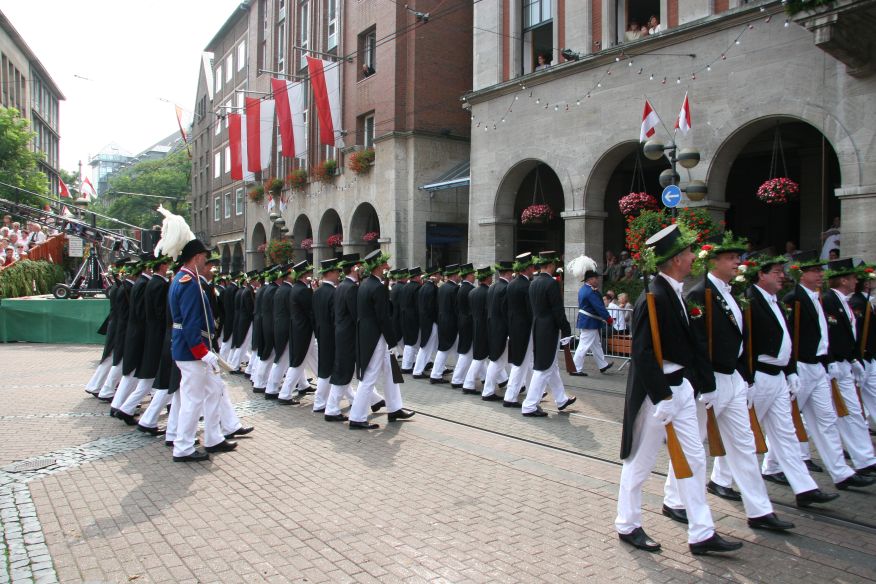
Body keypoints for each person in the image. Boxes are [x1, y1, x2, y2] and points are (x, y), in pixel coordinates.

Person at [616, 224, 742, 555]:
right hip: (657, 395)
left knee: (695, 459)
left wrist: (703, 385)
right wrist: (662, 396)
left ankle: (702, 532)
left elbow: (691, 345)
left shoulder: (675, 292)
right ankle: (627, 523)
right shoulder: (653, 297)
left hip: (682, 388)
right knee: (640, 462)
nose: (693, 257)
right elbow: (642, 354)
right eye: (687, 252)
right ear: (674, 260)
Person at [663, 235, 796, 533]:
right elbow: (697, 343)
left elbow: (742, 339)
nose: (738, 262)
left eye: (738, 257)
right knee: (693, 444)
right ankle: (674, 500)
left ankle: (760, 510)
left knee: (744, 444)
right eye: (731, 257)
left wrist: (745, 376)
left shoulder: (734, 293)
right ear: (713, 261)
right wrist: (705, 383)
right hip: (709, 381)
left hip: (733, 377)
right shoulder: (699, 294)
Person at [744, 255, 845, 504]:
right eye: (776, 272)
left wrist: (790, 371)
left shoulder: (775, 301)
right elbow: (746, 341)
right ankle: (721, 480)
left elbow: (787, 339)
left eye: (782, 271)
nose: (782, 276)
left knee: (786, 433)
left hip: (779, 375)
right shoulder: (749, 299)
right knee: (745, 433)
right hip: (760, 374)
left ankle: (804, 488)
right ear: (761, 275)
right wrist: (748, 377)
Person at [783, 252, 874, 488]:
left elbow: (825, 335)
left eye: (820, 271)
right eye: (814, 271)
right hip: (802, 365)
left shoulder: (818, 299)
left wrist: (831, 359)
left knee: (827, 420)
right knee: (787, 419)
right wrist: (791, 368)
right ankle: (773, 465)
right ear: (802, 274)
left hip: (820, 365)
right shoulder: (794, 298)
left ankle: (841, 473)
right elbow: (790, 336)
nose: (820, 275)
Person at [155, 207, 238, 462]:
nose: (206, 262)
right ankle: (183, 447)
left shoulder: (183, 279)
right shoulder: (189, 283)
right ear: (197, 257)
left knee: (215, 390)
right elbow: (191, 322)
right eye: (204, 257)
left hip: (193, 348)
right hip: (193, 350)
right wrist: (202, 351)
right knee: (192, 400)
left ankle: (214, 437)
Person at [821, 258, 876, 476]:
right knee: (822, 417)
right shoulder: (828, 300)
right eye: (853, 278)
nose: (856, 281)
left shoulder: (844, 301)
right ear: (843, 280)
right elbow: (831, 335)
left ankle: (865, 459)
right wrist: (836, 359)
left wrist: (854, 359)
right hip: (833, 364)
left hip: (846, 363)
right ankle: (782, 461)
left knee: (853, 412)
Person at [348, 250, 415, 429]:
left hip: (370, 334)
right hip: (377, 337)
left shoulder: (365, 284)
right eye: (385, 264)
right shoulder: (377, 287)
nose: (388, 266)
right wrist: (392, 341)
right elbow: (383, 317)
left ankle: (395, 408)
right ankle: (357, 417)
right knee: (370, 376)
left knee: (392, 372)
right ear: (378, 267)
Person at [521, 251, 576, 417]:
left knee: (551, 365)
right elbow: (558, 310)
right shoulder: (551, 283)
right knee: (543, 368)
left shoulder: (533, 283)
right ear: (551, 265)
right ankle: (529, 405)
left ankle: (561, 399)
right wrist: (566, 329)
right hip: (549, 329)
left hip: (538, 327)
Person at [279, 261, 318, 404]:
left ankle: (328, 385)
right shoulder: (302, 290)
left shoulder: (296, 288)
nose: (310, 275)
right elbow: (311, 311)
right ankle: (285, 394)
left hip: (300, 329)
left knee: (316, 361)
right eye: (308, 273)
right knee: (298, 363)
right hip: (304, 331)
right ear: (304, 275)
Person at [503, 253, 537, 407]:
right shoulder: (527, 286)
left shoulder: (511, 284)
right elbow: (531, 311)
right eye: (532, 267)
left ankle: (531, 391)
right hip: (525, 329)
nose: (533, 270)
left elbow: (506, 308)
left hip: (514, 327)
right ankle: (510, 397)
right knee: (521, 362)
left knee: (523, 361)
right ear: (527, 268)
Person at [312, 258, 344, 420]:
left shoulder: (317, 292)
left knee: (326, 367)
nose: (339, 275)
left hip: (321, 332)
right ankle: (320, 402)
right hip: (331, 334)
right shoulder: (334, 292)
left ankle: (320, 402)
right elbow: (335, 317)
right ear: (330, 273)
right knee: (330, 368)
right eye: (337, 272)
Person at [571, 256, 613, 376]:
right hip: (589, 322)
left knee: (596, 345)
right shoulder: (591, 292)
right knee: (583, 346)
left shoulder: (584, 289)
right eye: (595, 278)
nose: (597, 280)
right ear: (590, 279)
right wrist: (608, 318)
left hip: (589, 321)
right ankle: (575, 368)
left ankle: (602, 365)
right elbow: (599, 307)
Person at [481, 261, 513, 401]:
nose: (512, 275)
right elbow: (506, 312)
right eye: (511, 273)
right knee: (498, 361)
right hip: (502, 330)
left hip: (493, 327)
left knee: (499, 361)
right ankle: (488, 392)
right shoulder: (506, 288)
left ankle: (516, 386)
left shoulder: (492, 287)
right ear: (508, 273)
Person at [265, 264, 295, 399]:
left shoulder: (281, 288)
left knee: (283, 358)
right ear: (288, 276)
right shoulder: (287, 290)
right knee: (282, 358)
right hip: (285, 327)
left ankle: (273, 388)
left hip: (280, 326)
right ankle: (271, 388)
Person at [430, 265, 461, 384]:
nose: (460, 276)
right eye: (458, 274)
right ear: (454, 275)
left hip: (442, 321)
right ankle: (436, 375)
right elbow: (456, 308)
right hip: (451, 322)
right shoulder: (455, 288)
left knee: (454, 350)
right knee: (444, 349)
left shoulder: (442, 287)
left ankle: (459, 375)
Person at [464, 267, 493, 396]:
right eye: (491, 276)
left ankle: (498, 380)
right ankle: (468, 383)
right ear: (487, 278)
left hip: (476, 326)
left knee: (480, 357)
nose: (492, 278)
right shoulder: (488, 292)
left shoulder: (473, 292)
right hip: (485, 327)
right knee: (480, 357)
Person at [412, 267, 441, 378]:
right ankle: (417, 371)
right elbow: (433, 308)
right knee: (426, 347)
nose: (440, 277)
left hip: (425, 321)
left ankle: (436, 369)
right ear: (434, 276)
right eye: (439, 274)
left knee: (428, 347)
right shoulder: (432, 288)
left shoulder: (424, 287)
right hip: (431, 322)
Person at [452, 264, 477, 390]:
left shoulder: (460, 288)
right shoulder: (470, 289)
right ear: (468, 275)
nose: (475, 277)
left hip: (462, 321)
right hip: (469, 323)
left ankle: (498, 379)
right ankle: (457, 379)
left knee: (470, 351)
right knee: (466, 351)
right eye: (473, 274)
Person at [399, 267, 423, 373]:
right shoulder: (418, 288)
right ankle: (407, 366)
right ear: (416, 277)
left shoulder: (405, 287)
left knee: (410, 341)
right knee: (412, 342)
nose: (421, 278)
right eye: (420, 276)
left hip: (404, 317)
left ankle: (409, 364)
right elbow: (418, 306)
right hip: (413, 318)